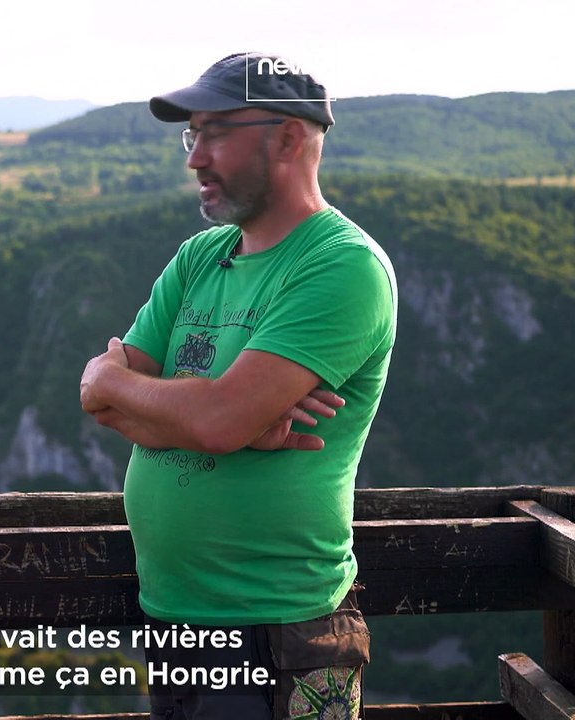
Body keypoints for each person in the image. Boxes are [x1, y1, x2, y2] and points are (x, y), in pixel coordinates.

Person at [80, 52, 397, 720]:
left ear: (286, 137)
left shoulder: (342, 266)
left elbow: (214, 419)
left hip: (279, 630)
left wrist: (196, 411)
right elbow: (98, 397)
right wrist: (211, 418)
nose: (195, 158)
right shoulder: (202, 256)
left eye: (216, 132)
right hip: (173, 619)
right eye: (192, 135)